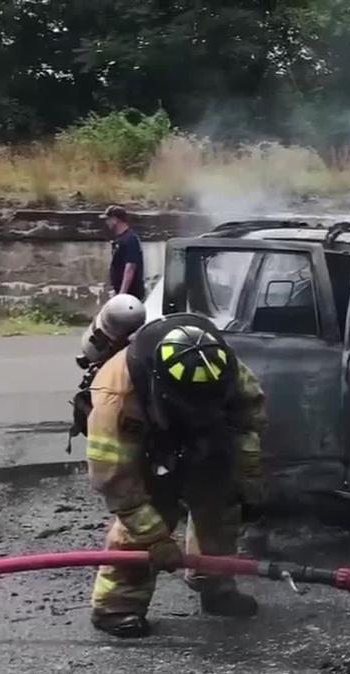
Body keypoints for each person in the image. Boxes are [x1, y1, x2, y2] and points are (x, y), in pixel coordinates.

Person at [85, 312, 266, 638]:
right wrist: (156, 539)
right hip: (148, 443)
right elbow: (116, 482)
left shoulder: (220, 366)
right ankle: (117, 606)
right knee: (143, 521)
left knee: (222, 506)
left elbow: (248, 421)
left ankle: (214, 583)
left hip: (203, 438)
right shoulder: (119, 399)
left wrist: (248, 481)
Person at [103, 205, 145, 300]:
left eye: (108, 219)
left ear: (115, 220)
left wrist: (122, 295)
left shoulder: (130, 239)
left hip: (130, 296)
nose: (107, 223)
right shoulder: (120, 239)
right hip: (122, 293)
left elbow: (130, 268)